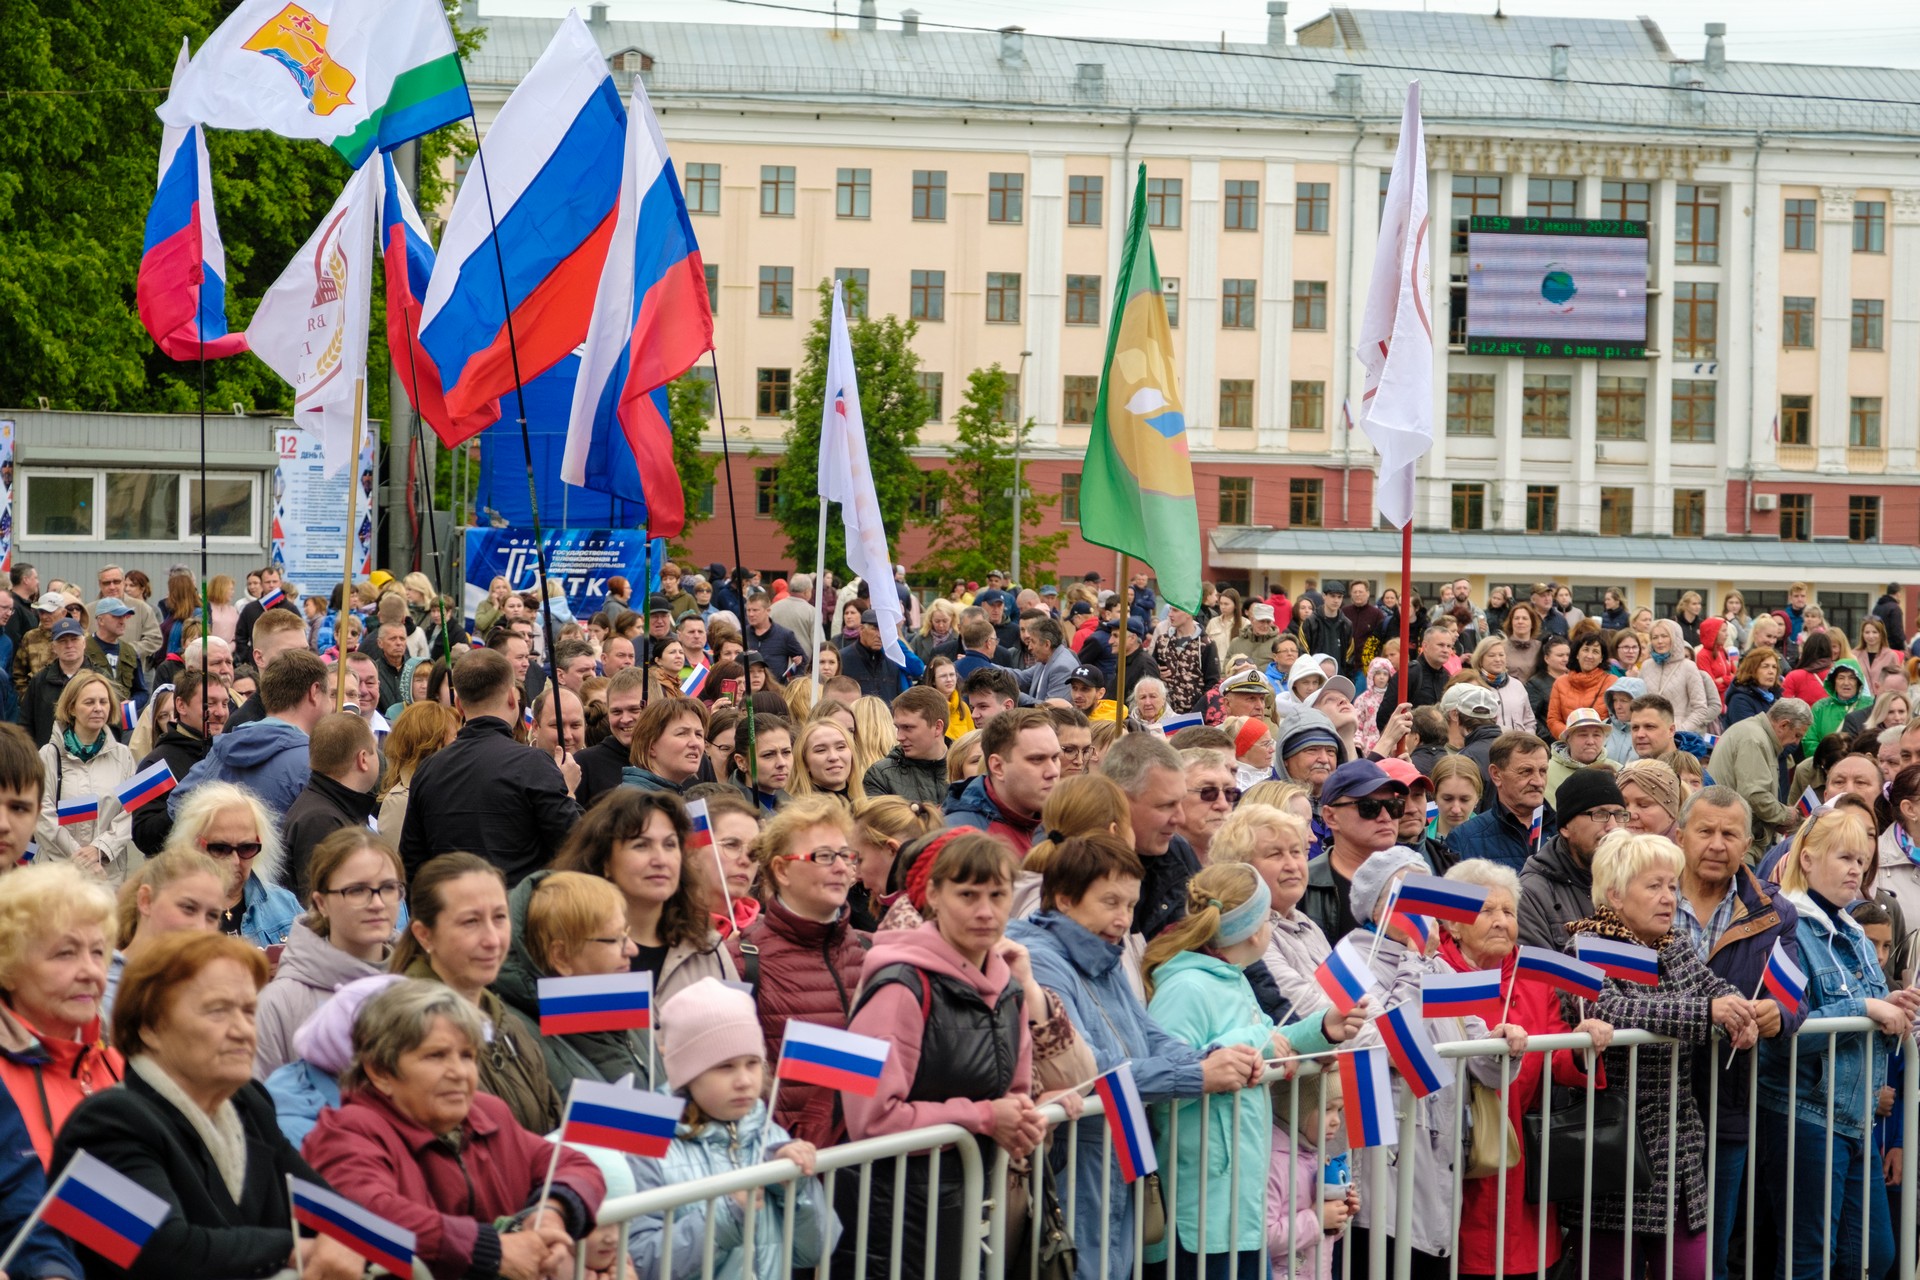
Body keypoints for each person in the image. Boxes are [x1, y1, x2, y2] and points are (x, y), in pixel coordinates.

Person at [1007, 835, 1265, 1280]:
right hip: (1075, 1156)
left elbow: (1151, 1036)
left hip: (1117, 1148)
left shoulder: (1103, 955)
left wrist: (1209, 1059)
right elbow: (1093, 1064)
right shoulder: (1044, 962)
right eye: (1110, 902)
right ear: (1065, 899)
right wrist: (1197, 1076)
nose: (1122, 919)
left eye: (1129, 905)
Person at [50, 931, 362, 1280]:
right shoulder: (97, 1127)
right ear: (150, 1027)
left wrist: (352, 1241)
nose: (243, 1030)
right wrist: (293, 1251)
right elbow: (157, 1254)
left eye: (248, 1011)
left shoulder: (249, 1104)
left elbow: (336, 1216)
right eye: (218, 1011)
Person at [844, 834, 1085, 1280]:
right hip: (897, 1221)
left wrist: (1028, 1117)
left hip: (980, 1214)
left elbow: (1012, 1095)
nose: (985, 911)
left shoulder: (1008, 987)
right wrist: (983, 1118)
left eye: (997, 895)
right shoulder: (896, 987)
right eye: (967, 894)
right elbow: (870, 1120)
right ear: (933, 895)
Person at [303, 979, 605, 1280]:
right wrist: (493, 1250)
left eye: (467, 1056)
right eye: (436, 1056)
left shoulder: (489, 1114)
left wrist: (551, 1213)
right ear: (380, 1070)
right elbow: (371, 1214)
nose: (459, 1073)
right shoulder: (346, 1133)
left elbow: (574, 1165)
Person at [1566, 830, 1760, 1280]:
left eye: (1672, 886)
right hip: (1615, 1145)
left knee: (1692, 1271)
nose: (1668, 897)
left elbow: (1718, 990)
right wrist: (1708, 1012)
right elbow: (1611, 1009)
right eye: (1653, 886)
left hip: (1679, 1146)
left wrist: (1740, 1014)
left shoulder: (1672, 945)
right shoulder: (1584, 947)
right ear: (1614, 893)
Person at [1143, 862, 1345, 1279]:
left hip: (1237, 1209)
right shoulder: (1185, 988)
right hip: (1198, 1214)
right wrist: (1258, 1042)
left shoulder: (1232, 979)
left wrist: (1322, 1029)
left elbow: (1271, 1039)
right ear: (1255, 931)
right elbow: (1168, 1079)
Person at [1758, 810, 1918, 1280]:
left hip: (1856, 1115)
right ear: (1806, 860)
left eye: (1862, 860)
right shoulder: (1782, 927)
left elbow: (1859, 1005)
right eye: (1845, 857)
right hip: (1802, 1113)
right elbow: (1785, 1034)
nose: (1856, 869)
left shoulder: (1856, 932)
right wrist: (1868, 1010)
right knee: (1809, 1259)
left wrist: (1889, 1004)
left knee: (1872, 1254)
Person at [1438, 857, 1611, 1280]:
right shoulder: (1436, 973)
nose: (1501, 921)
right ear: (1453, 924)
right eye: (1486, 911)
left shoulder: (1532, 976)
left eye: (1509, 912)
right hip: (1456, 1150)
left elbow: (1554, 1050)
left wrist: (1579, 1044)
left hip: (1521, 1155)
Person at [1672, 786, 1799, 1280]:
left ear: (1748, 844)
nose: (1717, 844)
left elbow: (1793, 996)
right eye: (1705, 831)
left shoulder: (1774, 912)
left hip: (1727, 1103)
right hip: (1651, 1105)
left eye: (1729, 834)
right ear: (1680, 835)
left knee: (1708, 1256)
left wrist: (1777, 1015)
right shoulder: (1650, 892)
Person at [629, 978, 836, 1280]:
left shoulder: (771, 1137)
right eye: (724, 1066)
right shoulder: (647, 1142)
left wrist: (796, 1189)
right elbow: (641, 1262)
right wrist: (726, 1216)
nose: (744, 1080)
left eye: (752, 1063)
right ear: (688, 1073)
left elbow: (815, 1249)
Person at [724, 796, 869, 1145]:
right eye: (822, 856)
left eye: (845, 855)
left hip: (869, 1171)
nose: (840, 867)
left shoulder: (872, 952)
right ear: (782, 870)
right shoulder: (741, 960)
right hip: (785, 1171)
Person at [387, 852, 562, 1133]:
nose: (492, 940)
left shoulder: (508, 1023)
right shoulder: (407, 1033)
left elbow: (551, 1127)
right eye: (471, 922)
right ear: (424, 935)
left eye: (500, 917)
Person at [400, 649, 581, 886]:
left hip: (449, 910)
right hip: (514, 912)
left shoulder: (429, 769)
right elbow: (576, 844)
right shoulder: (533, 764)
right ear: (511, 698)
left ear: (458, 704)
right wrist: (568, 791)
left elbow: (412, 862)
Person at [553, 788, 736, 1004]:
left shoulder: (708, 947)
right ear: (605, 862)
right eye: (641, 845)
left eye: (670, 844)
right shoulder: (574, 950)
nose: (660, 859)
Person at [0, 863, 125, 1169]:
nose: (91, 972)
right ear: (9, 968)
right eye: (66, 953)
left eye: (97, 952)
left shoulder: (115, 1062)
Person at [252, 829, 403, 1078]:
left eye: (388, 888)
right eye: (356, 890)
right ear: (321, 903)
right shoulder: (280, 1003)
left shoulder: (421, 982)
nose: (377, 904)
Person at [172, 648, 328, 820]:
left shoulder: (223, 749)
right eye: (330, 695)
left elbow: (178, 805)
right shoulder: (314, 761)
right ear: (314, 692)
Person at [32, 670, 138, 884]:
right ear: (71, 707)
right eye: (89, 702)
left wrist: (101, 848)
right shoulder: (48, 755)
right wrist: (82, 859)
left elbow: (131, 810)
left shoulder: (123, 756)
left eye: (103, 702)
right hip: (58, 875)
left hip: (107, 875)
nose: (98, 708)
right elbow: (42, 814)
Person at [1517, 769, 1629, 952]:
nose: (1613, 826)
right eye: (1600, 814)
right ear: (1565, 828)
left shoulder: (1635, 882)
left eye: (1619, 815)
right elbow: (1538, 976)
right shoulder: (1532, 894)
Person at [1303, 759, 1407, 945]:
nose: (1385, 817)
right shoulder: (1303, 885)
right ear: (1331, 817)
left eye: (1394, 806)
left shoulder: (1414, 878)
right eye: (1369, 807)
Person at [278, 712, 380, 898]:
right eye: (376, 749)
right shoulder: (321, 821)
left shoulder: (330, 808)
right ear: (363, 759)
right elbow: (321, 904)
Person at [944, 706, 1060, 856]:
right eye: (1036, 759)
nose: (1053, 771)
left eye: (1055, 758)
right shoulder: (958, 841)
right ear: (998, 767)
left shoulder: (1068, 825)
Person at [1445, 732, 1554, 874]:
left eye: (1543, 771)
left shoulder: (1566, 832)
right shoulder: (1464, 838)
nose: (1538, 781)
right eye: (1526, 772)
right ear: (1496, 774)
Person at [1707, 698, 1812, 847]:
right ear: (1784, 725)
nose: (1796, 743)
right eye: (1797, 735)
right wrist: (1786, 815)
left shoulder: (1752, 732)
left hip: (1733, 834)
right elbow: (1755, 795)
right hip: (1738, 841)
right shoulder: (1755, 739)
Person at [376, 700, 459, 840]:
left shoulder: (449, 788)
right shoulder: (400, 801)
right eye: (455, 737)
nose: (460, 744)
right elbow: (396, 859)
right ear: (432, 744)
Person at [575, 667, 645, 809]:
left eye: (634, 710)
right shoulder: (585, 764)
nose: (625, 719)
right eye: (616, 711)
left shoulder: (688, 760)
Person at [620, 694, 710, 796]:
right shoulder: (636, 803)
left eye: (698, 734)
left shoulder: (669, 799)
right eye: (682, 733)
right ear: (650, 746)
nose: (695, 743)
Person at [1548, 632, 1616, 737]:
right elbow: (1553, 719)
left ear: (1601, 658)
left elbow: (1617, 720)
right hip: (1568, 743)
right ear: (1577, 654)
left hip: (1602, 744)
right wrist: (1571, 736)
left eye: (1595, 652)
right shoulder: (1560, 682)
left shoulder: (1612, 682)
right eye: (1585, 650)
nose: (1589, 656)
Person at [1804, 657, 1873, 754]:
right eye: (1841, 678)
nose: (1846, 683)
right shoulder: (1820, 707)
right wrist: (1826, 759)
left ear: (1859, 681)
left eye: (1852, 678)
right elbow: (1809, 740)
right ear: (1833, 681)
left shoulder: (1870, 705)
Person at [1618, 757, 1683, 839]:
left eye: (1643, 805)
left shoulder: (1690, 850)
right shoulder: (1604, 849)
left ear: (1671, 812)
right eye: (1623, 805)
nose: (1630, 814)